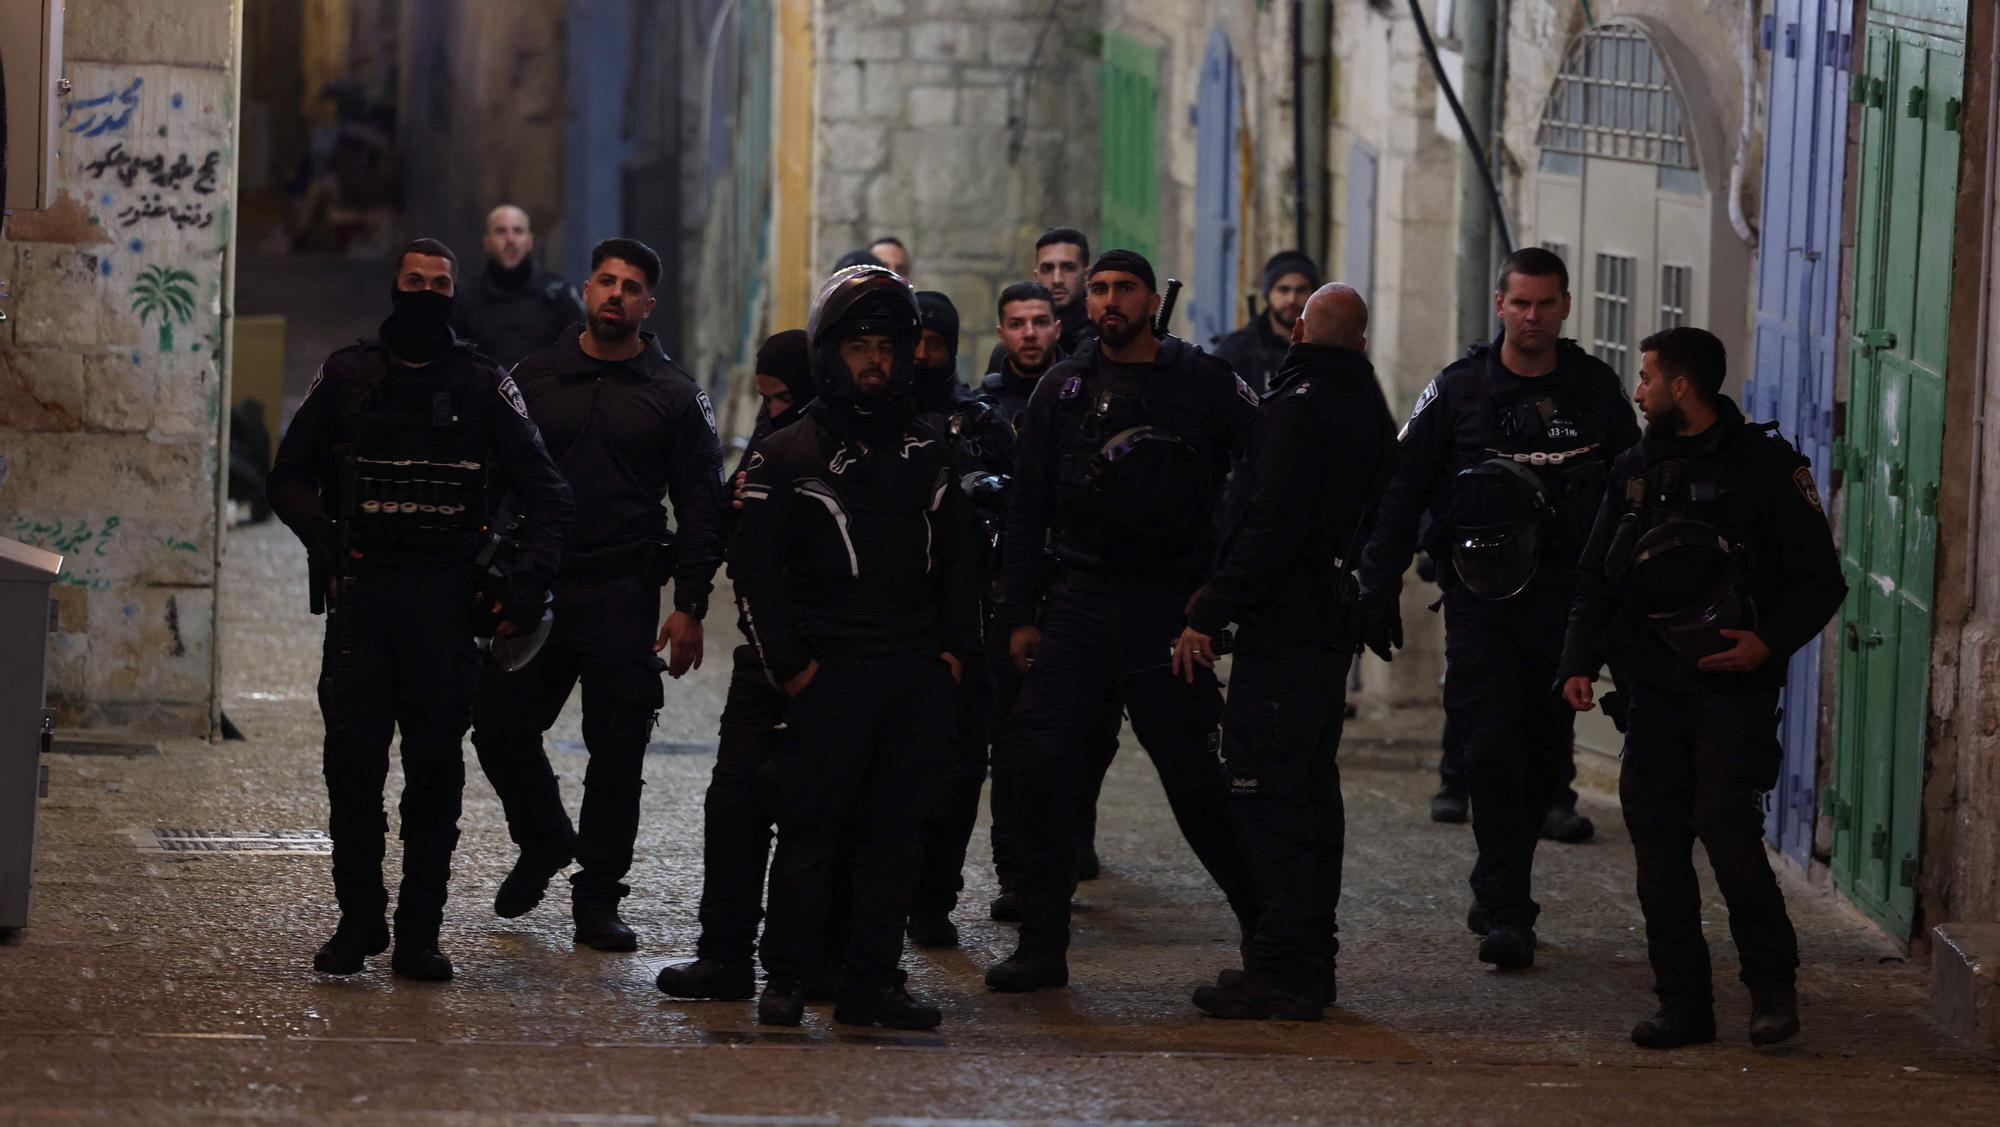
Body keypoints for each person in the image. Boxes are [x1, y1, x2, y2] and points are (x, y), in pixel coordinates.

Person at [268, 238, 574, 981]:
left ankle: (417, 933)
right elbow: (288, 477)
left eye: (440, 283)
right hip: (364, 604)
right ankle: (358, 920)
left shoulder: (481, 382)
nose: (427, 293)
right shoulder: (348, 374)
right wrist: (329, 541)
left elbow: (549, 494)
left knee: (434, 778)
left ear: (453, 293)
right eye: (415, 281)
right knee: (352, 772)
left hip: (443, 607)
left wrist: (523, 582)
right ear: (394, 286)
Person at [1355, 247, 1639, 969]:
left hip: (1565, 604)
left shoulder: (1596, 391)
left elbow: (1635, 498)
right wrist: (1376, 582)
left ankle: (1499, 881)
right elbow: (1401, 489)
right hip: (1480, 602)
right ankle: (1509, 907)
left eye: (1546, 304)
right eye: (1521, 303)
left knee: (1545, 758)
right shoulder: (1458, 391)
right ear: (1499, 303)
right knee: (1488, 748)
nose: (1533, 317)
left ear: (1566, 307)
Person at [985, 249, 1260, 993]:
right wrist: (1018, 612)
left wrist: (1220, 591)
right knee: (1040, 766)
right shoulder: (1063, 389)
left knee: (1199, 781)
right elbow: (1026, 509)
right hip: (1079, 601)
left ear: (1149, 298)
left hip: (1168, 608)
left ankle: (1273, 944)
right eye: (1099, 288)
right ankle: (1042, 946)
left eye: (1123, 288)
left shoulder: (1201, 382)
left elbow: (1263, 468)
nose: (1109, 300)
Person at [1560, 327, 1843, 1049]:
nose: (1639, 388)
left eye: (1648, 376)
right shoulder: (1633, 467)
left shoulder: (1766, 468)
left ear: (1683, 386)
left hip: (1731, 688)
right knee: (1657, 844)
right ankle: (1682, 1003)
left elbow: (1820, 581)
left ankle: (1772, 991)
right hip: (1652, 690)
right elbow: (1596, 576)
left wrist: (1767, 644)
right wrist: (1577, 663)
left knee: (1727, 828)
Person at [735, 265, 982, 1030]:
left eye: (888, 346)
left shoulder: (934, 452)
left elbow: (962, 564)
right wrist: (794, 668)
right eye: (859, 346)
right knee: (811, 834)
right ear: (828, 353)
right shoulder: (785, 454)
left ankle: (872, 981)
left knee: (896, 839)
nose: (875, 361)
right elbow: (754, 573)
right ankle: (785, 976)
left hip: (910, 675)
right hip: (828, 674)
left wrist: (952, 658)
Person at [467, 238, 726, 952]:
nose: (616, 294)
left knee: (619, 752)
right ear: (586, 289)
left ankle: (598, 896)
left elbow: (702, 505)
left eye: (631, 286)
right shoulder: (534, 378)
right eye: (606, 281)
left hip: (624, 589)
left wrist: (691, 603)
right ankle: (546, 835)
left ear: (648, 304)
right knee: (496, 726)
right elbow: (492, 481)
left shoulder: (673, 395)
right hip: (539, 589)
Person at [1175, 283, 1396, 1020]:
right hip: (1328, 627)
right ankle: (1310, 961)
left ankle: (1282, 968)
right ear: (1360, 344)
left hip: (1284, 631)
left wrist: (1212, 606)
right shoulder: (1367, 405)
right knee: (1308, 791)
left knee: (1266, 798)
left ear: (1299, 330)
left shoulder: (1295, 410)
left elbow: (1266, 523)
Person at [656, 331, 816, 1001]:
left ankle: (815, 962)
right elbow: (727, 522)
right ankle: (725, 956)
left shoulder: (845, 446)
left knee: (820, 817)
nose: (771, 409)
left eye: (782, 398)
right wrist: (689, 602)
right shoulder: (772, 442)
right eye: (766, 399)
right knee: (733, 803)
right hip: (765, 660)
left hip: (831, 662)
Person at [978, 281, 1126, 918]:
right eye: (1017, 323)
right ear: (1002, 331)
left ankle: (1065, 851)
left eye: (1040, 321)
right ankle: (1020, 873)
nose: (1030, 333)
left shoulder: (1083, 395)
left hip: (1080, 590)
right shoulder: (984, 410)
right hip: (1012, 595)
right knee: (1015, 745)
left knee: (1089, 736)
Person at [449, 205, 587, 369]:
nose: (510, 239)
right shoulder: (465, 298)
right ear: (487, 242)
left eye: (518, 231)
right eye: (501, 231)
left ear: (530, 241)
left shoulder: (561, 295)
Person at [984, 228, 1096, 375]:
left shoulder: (1101, 341)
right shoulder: (1006, 352)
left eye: (1068, 268)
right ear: (1037, 276)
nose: (1057, 280)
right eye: (1047, 269)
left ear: (1087, 275)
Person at [1213, 250, 1318, 395]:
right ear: (1268, 294)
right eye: (1283, 290)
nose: (1292, 299)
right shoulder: (1239, 350)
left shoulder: (1325, 347)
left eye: (1301, 290)